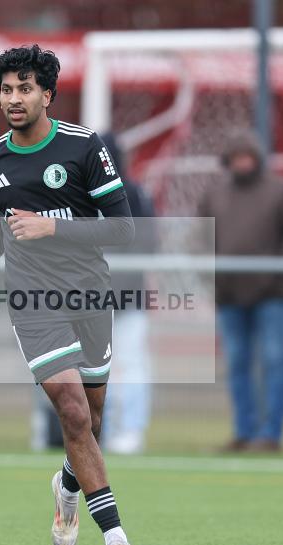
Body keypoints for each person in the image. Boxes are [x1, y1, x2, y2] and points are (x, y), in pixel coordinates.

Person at [0, 45, 137, 545]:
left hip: (90, 293)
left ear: (47, 94)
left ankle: (67, 485)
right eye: (6, 89)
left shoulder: (84, 147)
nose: (14, 98)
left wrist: (53, 225)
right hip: (32, 300)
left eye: (25, 88)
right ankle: (116, 538)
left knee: (91, 421)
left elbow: (124, 228)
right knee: (71, 410)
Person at [198, 129, 283, 453]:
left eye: (247, 157)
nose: (242, 163)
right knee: (237, 364)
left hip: (271, 296)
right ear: (228, 162)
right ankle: (244, 431)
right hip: (230, 296)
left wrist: (277, 271)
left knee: (275, 361)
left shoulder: (281, 190)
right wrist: (212, 275)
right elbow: (200, 238)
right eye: (236, 158)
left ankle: (271, 433)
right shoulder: (215, 194)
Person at [101, 133, 157, 455]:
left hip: (128, 296)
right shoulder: (79, 193)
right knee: (93, 367)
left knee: (131, 362)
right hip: (89, 299)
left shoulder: (134, 194)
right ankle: (99, 431)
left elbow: (148, 242)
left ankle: (131, 429)